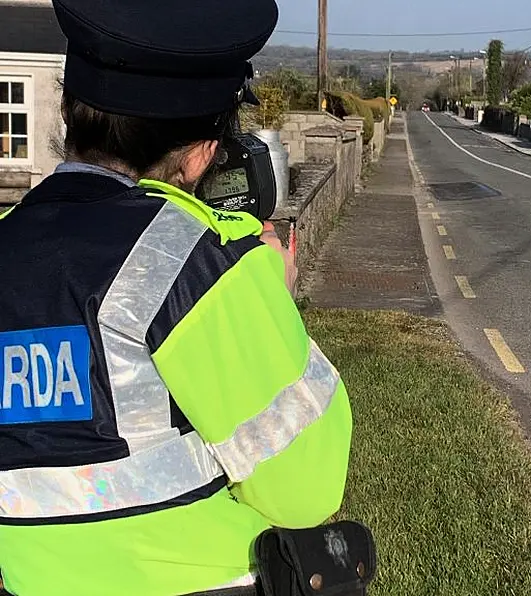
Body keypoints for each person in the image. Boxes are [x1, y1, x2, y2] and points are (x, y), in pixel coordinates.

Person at [0, 0, 353, 594]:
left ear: (67, 108)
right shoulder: (196, 264)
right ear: (201, 153)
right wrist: (272, 296)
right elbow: (304, 489)